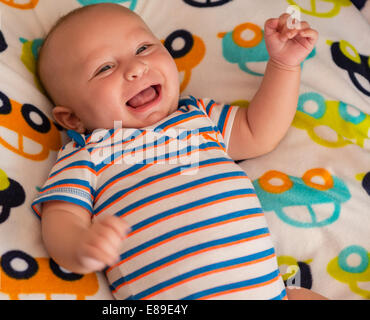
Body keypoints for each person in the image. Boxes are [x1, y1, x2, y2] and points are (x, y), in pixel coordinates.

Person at [32, 3, 326, 300]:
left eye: (144, 48)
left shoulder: (198, 116)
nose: (136, 68)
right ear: (72, 119)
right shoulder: (88, 154)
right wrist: (80, 247)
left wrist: (284, 65)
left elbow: (259, 132)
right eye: (104, 68)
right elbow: (61, 218)